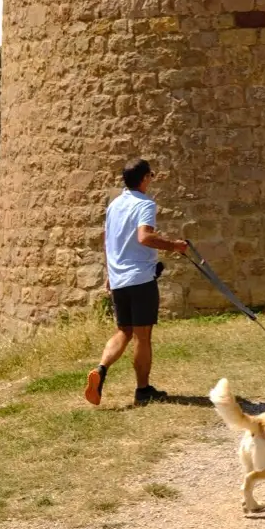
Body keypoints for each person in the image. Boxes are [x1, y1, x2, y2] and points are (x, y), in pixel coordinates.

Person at [84, 158, 188, 408]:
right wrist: (174, 246)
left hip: (119, 278)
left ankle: (101, 368)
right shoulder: (145, 204)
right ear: (143, 179)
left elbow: (109, 241)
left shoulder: (114, 206)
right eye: (151, 175)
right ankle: (143, 391)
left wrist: (111, 273)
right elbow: (144, 237)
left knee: (124, 331)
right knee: (142, 336)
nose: (152, 179)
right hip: (140, 278)